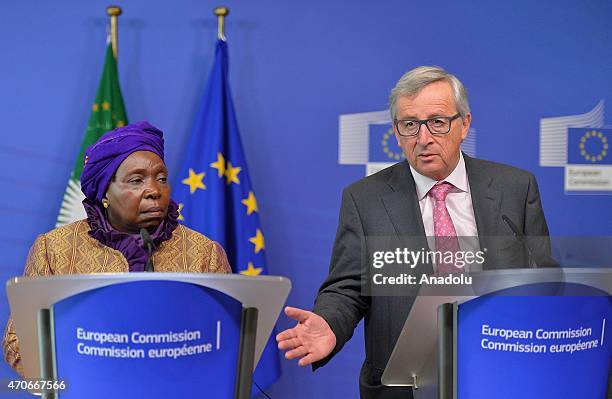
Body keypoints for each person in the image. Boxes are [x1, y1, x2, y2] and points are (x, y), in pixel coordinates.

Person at [276, 66, 551, 398]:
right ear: (396, 132)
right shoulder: (365, 200)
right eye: (410, 125)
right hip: (404, 385)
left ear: (464, 124)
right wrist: (330, 324)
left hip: (500, 373)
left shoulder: (515, 188)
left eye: (437, 121)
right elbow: (348, 288)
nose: (423, 139)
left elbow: (543, 283)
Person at [3, 121, 231, 376]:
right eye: (136, 180)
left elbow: (229, 340)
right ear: (105, 193)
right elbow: (18, 343)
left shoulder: (203, 252)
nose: (154, 191)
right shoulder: (55, 248)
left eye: (162, 178)